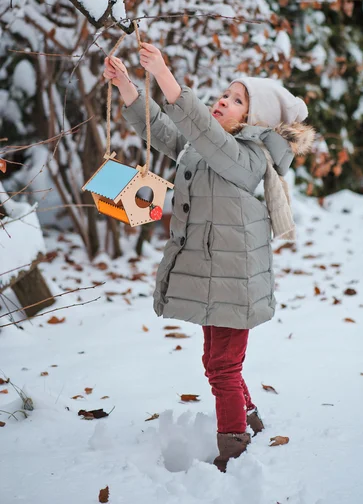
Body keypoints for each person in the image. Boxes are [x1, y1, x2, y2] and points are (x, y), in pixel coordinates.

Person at [103, 43, 315, 472]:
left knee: (221, 366)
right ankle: (249, 417)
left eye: (237, 100)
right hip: (215, 276)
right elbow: (166, 131)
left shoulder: (249, 158)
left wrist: (164, 73)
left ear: (257, 122)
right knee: (218, 363)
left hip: (236, 282)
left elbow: (199, 128)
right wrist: (127, 84)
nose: (223, 100)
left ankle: (233, 449)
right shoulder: (207, 148)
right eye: (225, 93)